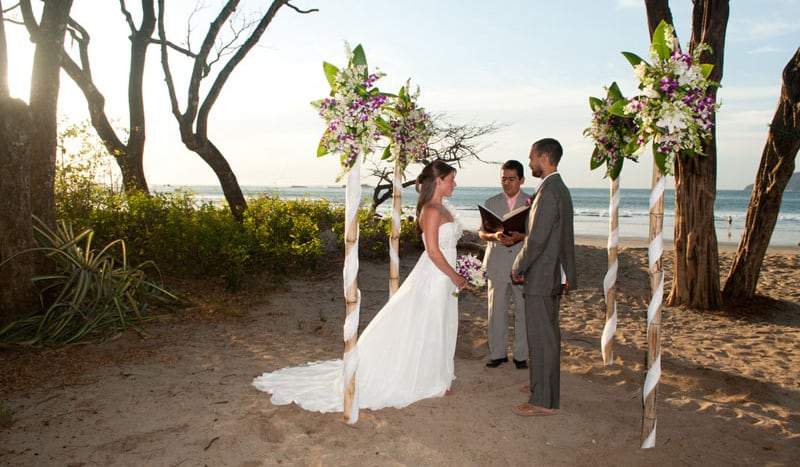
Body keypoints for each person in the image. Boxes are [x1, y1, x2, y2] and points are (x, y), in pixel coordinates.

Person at [253, 160, 467, 412]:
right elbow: (432, 251)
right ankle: (429, 379)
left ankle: (436, 375)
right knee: (430, 323)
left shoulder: (443, 208)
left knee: (438, 322)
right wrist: (455, 275)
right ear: (439, 181)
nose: (454, 184)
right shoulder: (431, 210)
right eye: (451, 179)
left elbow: (446, 246)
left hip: (444, 274)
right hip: (436, 275)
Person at [510, 138, 577, 416]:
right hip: (552, 272)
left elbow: (537, 240)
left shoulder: (550, 191)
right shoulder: (558, 188)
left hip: (543, 274)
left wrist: (518, 265)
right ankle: (541, 386)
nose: (529, 162)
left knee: (542, 338)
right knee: (546, 335)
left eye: (531, 157)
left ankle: (543, 401)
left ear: (544, 157)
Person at [478, 160, 531, 369]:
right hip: (497, 262)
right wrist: (494, 235)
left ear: (521, 180)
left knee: (523, 311)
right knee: (496, 310)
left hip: (522, 262)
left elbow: (538, 233)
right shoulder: (490, 202)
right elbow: (481, 232)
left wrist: (520, 236)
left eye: (511, 179)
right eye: (503, 179)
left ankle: (521, 356)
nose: (507, 183)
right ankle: (498, 353)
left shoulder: (532, 202)